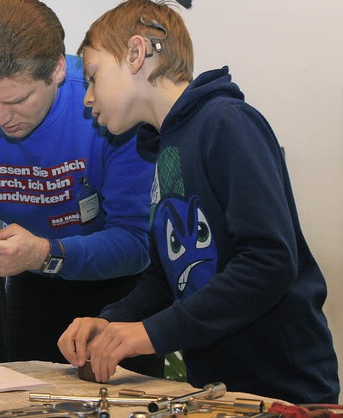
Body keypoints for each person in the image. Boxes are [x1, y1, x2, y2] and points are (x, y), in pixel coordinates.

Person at [57, 0, 339, 404]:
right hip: (216, 388)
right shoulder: (162, 149)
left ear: (136, 55)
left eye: (93, 76)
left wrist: (150, 335)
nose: (87, 97)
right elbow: (164, 279)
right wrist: (111, 322)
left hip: (283, 389)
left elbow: (269, 262)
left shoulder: (227, 123)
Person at [0, 0, 162, 376]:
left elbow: (136, 243)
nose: (0, 119)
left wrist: (44, 252)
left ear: (57, 68)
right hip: (32, 285)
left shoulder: (106, 106)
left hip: (121, 288)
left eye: (17, 100)